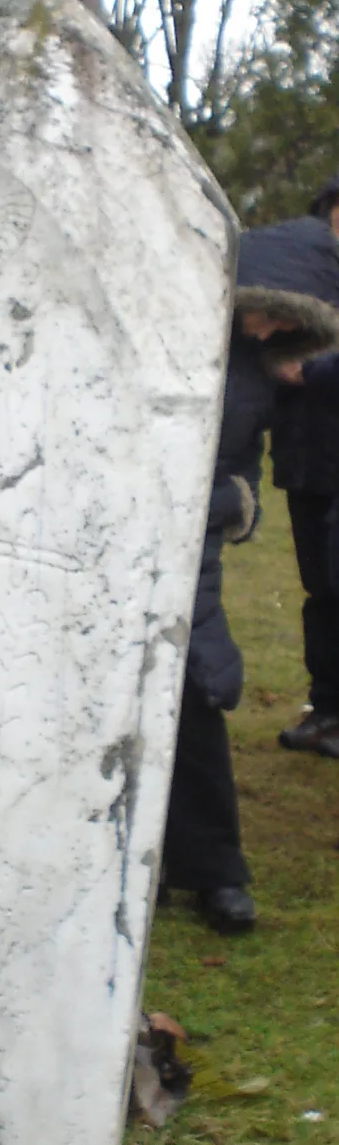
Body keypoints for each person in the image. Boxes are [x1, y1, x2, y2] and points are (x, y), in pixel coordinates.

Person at [162, 214, 339, 932]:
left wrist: (237, 502)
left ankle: (214, 873)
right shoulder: (173, 341)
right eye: (264, 313)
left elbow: (241, 462)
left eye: (285, 324)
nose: (268, 332)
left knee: (199, 690)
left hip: (191, 548)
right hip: (125, 536)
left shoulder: (263, 371)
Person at [270, 177, 339, 758]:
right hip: (307, 458)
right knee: (320, 591)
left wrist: (311, 371)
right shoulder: (306, 281)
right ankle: (327, 708)